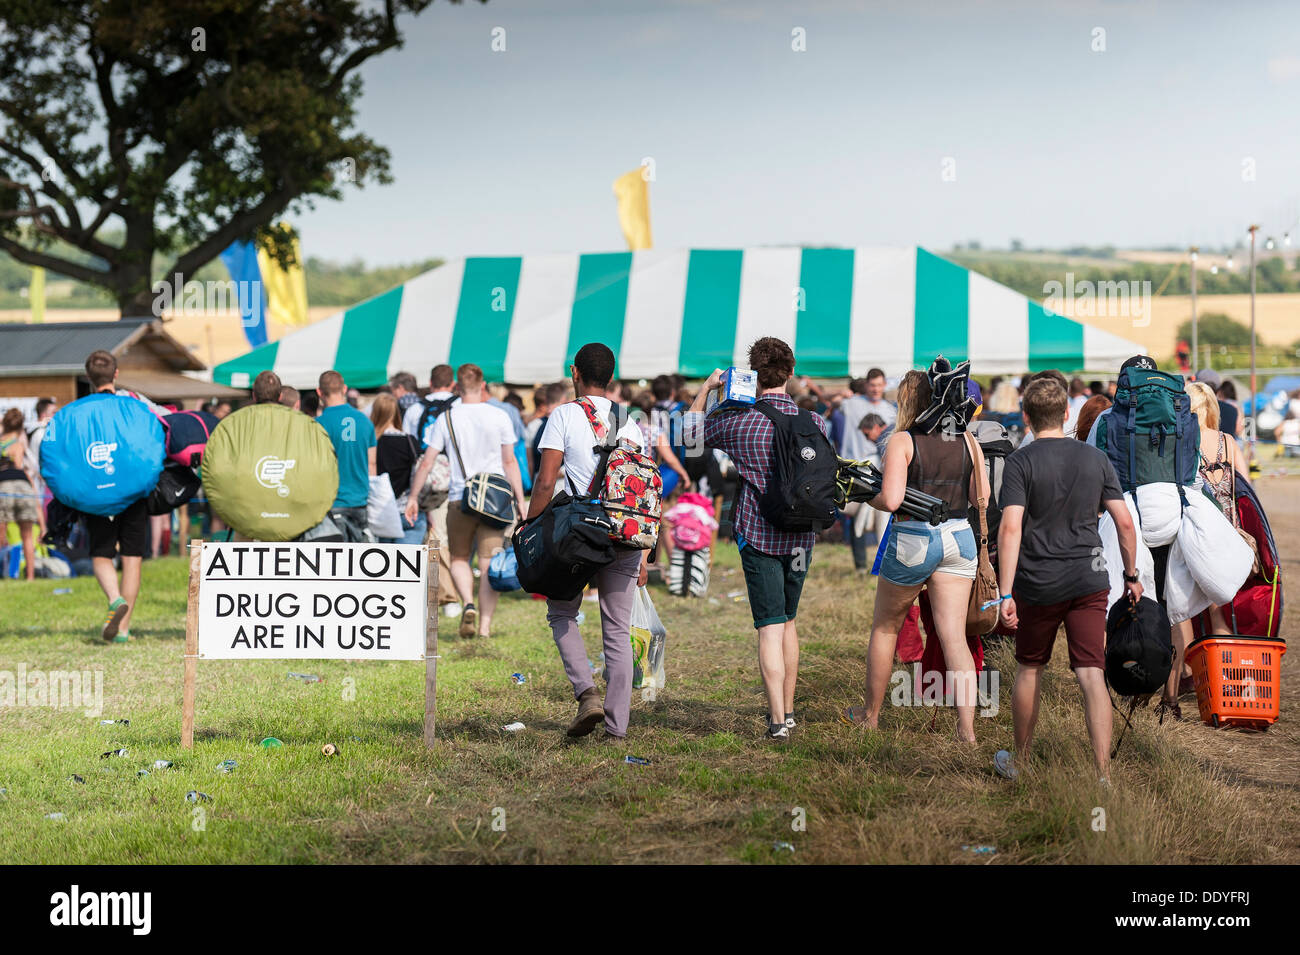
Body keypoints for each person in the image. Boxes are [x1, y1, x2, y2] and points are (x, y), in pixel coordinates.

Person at [992, 379, 1142, 783]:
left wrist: (1005, 592)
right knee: (1091, 673)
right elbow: (1125, 523)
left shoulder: (1021, 462)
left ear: (1025, 416)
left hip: (1036, 582)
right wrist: (1131, 576)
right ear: (1065, 415)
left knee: (1029, 669)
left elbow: (1010, 529)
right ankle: (1103, 774)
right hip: (1088, 579)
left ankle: (1020, 764)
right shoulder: (1094, 459)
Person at [684, 337, 828, 742]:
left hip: (759, 533)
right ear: (790, 372)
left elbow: (691, 440)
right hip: (802, 537)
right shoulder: (812, 421)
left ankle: (777, 720)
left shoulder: (740, 422)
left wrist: (706, 391)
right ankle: (791, 709)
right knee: (789, 620)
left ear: (752, 374)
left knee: (769, 626)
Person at [844, 362, 986, 743]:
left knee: (886, 626)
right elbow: (980, 499)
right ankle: (967, 731)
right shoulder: (968, 440)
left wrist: (861, 492)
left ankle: (870, 717)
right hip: (959, 536)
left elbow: (891, 500)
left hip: (913, 538)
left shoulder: (903, 440)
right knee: (954, 636)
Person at [527, 343, 650, 739]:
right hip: (625, 533)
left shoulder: (563, 414)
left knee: (562, 613)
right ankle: (617, 729)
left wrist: (530, 528)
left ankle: (586, 693)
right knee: (616, 630)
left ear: (574, 372)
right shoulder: (632, 421)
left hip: (579, 533)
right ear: (611, 377)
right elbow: (639, 491)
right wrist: (644, 554)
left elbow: (547, 480)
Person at [405, 363, 524, 639]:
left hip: (460, 498)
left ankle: (467, 603)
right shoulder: (500, 416)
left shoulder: (447, 418)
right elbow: (509, 461)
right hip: (494, 500)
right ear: (483, 386)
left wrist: (413, 497)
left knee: (459, 557)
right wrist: (520, 499)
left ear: (457, 387)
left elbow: (427, 463)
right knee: (488, 564)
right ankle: (484, 628)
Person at [81, 350, 151, 642]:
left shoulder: (80, 411)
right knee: (132, 557)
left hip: (98, 490)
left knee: (101, 553)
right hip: (133, 488)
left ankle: (114, 598)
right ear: (116, 375)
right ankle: (123, 630)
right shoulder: (132, 405)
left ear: (88, 378)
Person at [316, 370, 377, 542]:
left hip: (330, 503)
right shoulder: (364, 420)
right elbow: (372, 464)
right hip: (360, 500)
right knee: (358, 563)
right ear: (344, 389)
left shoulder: (317, 425)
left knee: (335, 564)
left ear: (319, 392)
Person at [371, 393, 426, 545]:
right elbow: (418, 474)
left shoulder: (371, 443)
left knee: (378, 566)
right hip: (408, 510)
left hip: (379, 512)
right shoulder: (409, 441)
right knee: (408, 566)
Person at [0, 407, 41, 580]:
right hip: (23, 486)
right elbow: (18, 465)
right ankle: (30, 577)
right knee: (27, 535)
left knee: (2, 534)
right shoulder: (18, 443)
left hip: (4, 488)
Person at [403, 364, 457, 442]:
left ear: (430, 382)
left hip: (422, 453)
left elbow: (407, 439)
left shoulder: (414, 408)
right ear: (453, 384)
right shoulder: (460, 406)